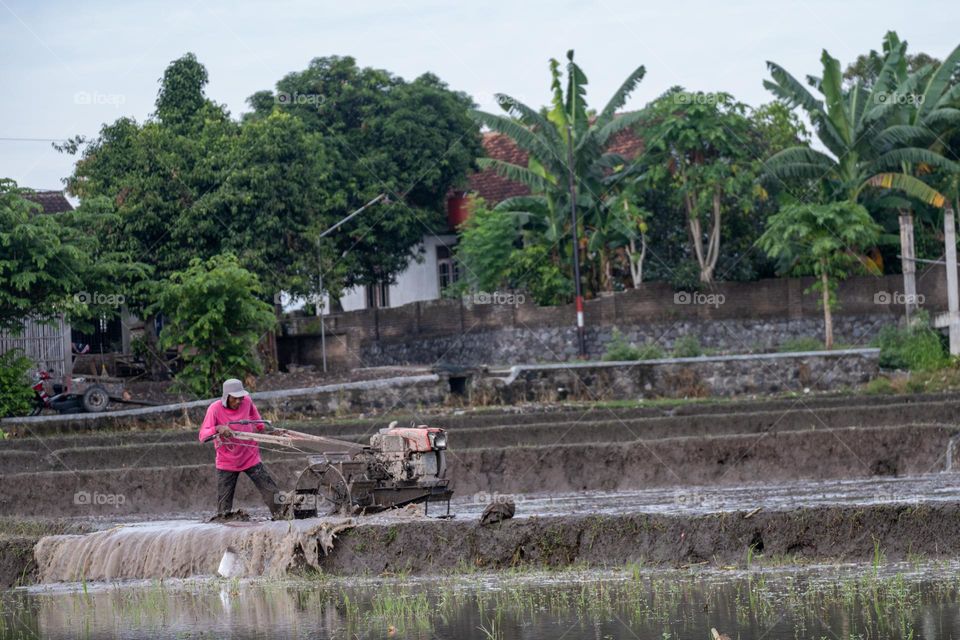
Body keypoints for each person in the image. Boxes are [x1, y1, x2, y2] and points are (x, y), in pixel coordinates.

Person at [198, 378, 282, 519]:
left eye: (241, 398)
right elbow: (202, 435)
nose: (239, 401)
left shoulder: (247, 401)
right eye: (235, 398)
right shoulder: (215, 409)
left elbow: (258, 422)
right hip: (227, 462)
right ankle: (224, 529)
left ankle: (282, 519)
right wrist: (218, 428)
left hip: (250, 457)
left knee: (272, 492)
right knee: (224, 507)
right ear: (226, 397)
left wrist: (267, 430)